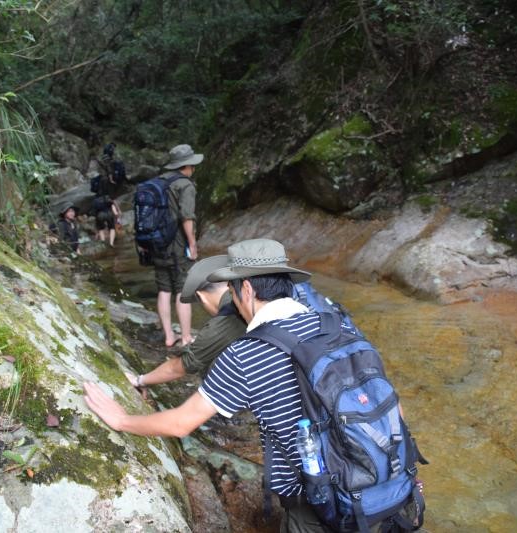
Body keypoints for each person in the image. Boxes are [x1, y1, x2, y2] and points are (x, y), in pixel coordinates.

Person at [84, 239, 354, 532]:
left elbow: (180, 424)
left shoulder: (247, 352)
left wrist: (122, 420)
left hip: (318, 504)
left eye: (233, 292)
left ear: (246, 290)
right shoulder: (336, 323)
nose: (233, 302)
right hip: (379, 481)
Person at [125, 255, 245, 390]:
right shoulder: (249, 288)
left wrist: (140, 380)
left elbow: (180, 366)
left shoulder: (222, 322)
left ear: (201, 297)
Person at [153, 144, 202, 348]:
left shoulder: (158, 182)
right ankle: (186, 337)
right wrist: (192, 243)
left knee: (164, 289)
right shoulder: (185, 185)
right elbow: (186, 217)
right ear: (187, 165)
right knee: (183, 289)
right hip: (177, 244)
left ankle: (168, 336)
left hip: (156, 243)